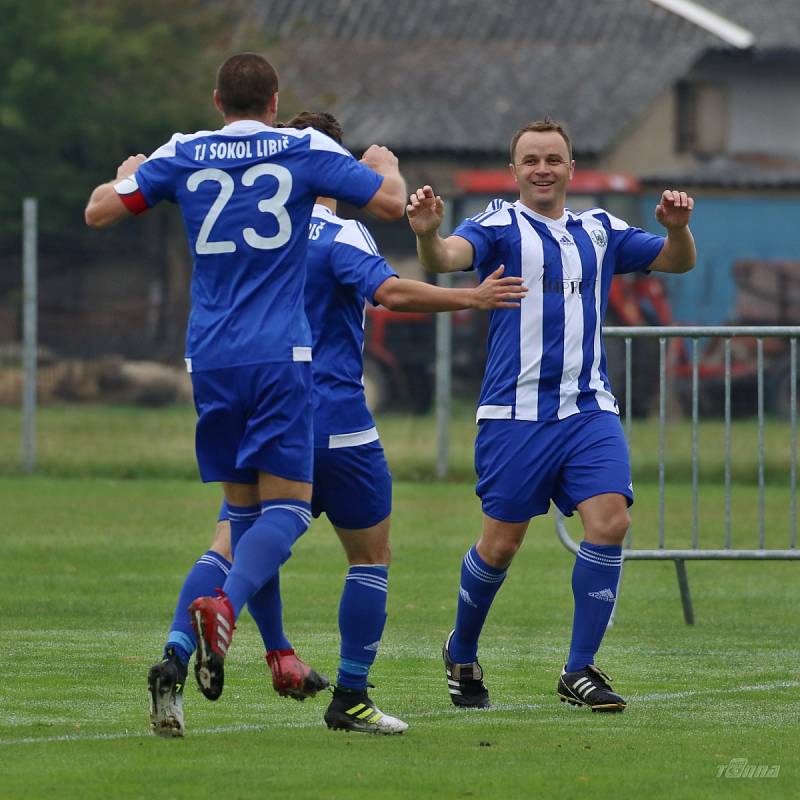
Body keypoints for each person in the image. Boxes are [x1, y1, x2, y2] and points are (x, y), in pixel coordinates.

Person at [84, 53, 408, 732]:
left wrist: (126, 177)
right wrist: (387, 169)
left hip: (208, 358)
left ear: (215, 100)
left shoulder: (186, 152)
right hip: (279, 356)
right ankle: (226, 610)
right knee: (286, 511)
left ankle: (181, 652)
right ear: (274, 99)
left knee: (235, 520)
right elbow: (388, 203)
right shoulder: (302, 147)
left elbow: (99, 212)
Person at [207, 110, 526, 737]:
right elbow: (393, 291)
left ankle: (185, 650)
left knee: (234, 542)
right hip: (334, 417)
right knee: (369, 558)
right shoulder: (337, 232)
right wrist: (471, 296)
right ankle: (349, 694)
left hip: (256, 410)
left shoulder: (250, 235)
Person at [406, 118, 696, 712]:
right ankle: (461, 649)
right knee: (501, 544)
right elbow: (446, 256)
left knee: (610, 522)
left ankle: (579, 669)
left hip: (589, 410)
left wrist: (679, 229)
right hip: (514, 416)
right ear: (515, 171)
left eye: (553, 159)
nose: (543, 169)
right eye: (531, 160)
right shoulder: (498, 223)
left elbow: (676, 262)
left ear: (570, 168)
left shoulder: (599, 229)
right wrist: (428, 235)